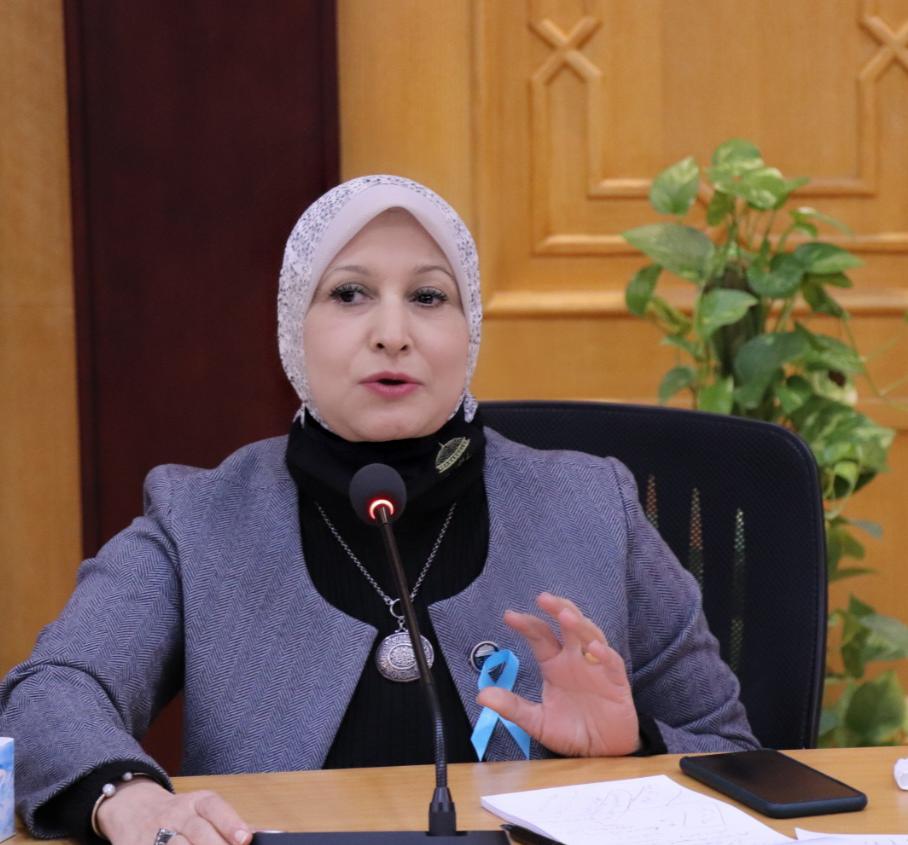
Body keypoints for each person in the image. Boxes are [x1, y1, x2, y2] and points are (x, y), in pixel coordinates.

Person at [0, 175, 757, 845]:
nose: (392, 334)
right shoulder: (198, 518)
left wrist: (635, 745)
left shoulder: (593, 504)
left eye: (428, 297)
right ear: (293, 327)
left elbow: (732, 748)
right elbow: (50, 692)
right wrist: (125, 794)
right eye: (349, 294)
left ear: (469, 330)